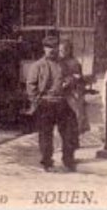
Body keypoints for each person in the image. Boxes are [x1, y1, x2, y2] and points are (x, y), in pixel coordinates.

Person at [26, 34, 79, 172]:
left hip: (62, 102)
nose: (51, 50)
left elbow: (71, 77)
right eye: (48, 47)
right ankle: (47, 162)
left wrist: (69, 81)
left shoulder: (64, 64)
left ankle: (68, 161)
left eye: (54, 47)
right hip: (46, 103)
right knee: (45, 135)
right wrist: (37, 101)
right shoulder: (37, 66)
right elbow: (31, 85)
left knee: (69, 134)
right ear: (44, 48)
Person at [58, 39, 89, 148]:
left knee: (74, 117)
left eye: (64, 50)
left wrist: (70, 81)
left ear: (69, 50)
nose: (62, 52)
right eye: (60, 50)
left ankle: (73, 141)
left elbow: (78, 77)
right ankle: (66, 142)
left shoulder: (74, 63)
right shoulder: (58, 62)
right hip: (61, 93)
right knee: (63, 119)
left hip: (72, 93)